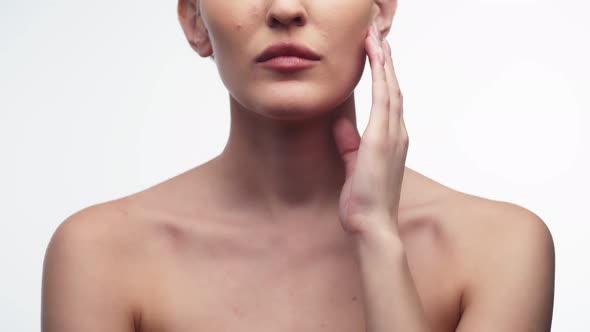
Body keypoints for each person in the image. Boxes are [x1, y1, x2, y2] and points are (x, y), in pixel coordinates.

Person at [41, 0, 555, 331]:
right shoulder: (98, 255)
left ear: (379, 12)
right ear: (195, 20)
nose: (286, 8)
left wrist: (378, 238)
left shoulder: (502, 248)